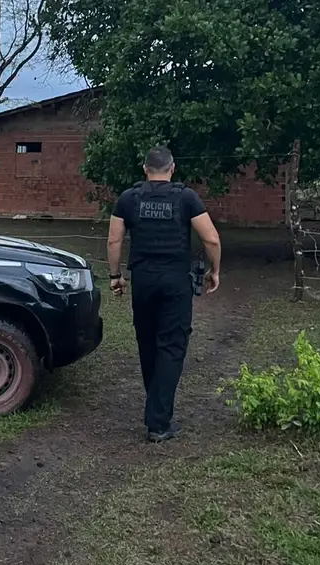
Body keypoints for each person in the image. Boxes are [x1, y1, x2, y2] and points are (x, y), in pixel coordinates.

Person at [106, 146, 221, 443]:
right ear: (172, 169)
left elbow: (114, 240)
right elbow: (211, 239)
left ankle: (157, 410)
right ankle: (158, 423)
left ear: (145, 169)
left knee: (148, 343)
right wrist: (215, 271)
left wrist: (115, 276)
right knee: (171, 346)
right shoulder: (186, 198)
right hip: (175, 282)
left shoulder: (128, 198)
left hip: (143, 281)